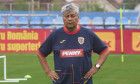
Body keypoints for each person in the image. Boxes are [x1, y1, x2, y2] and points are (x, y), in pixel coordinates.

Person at [37, 3, 109, 84]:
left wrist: (96, 67)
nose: (69, 19)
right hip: (61, 82)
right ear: (63, 18)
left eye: (72, 16)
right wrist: (48, 71)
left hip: (84, 81)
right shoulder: (55, 35)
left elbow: (105, 51)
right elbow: (41, 54)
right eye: (66, 16)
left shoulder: (88, 34)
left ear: (78, 17)